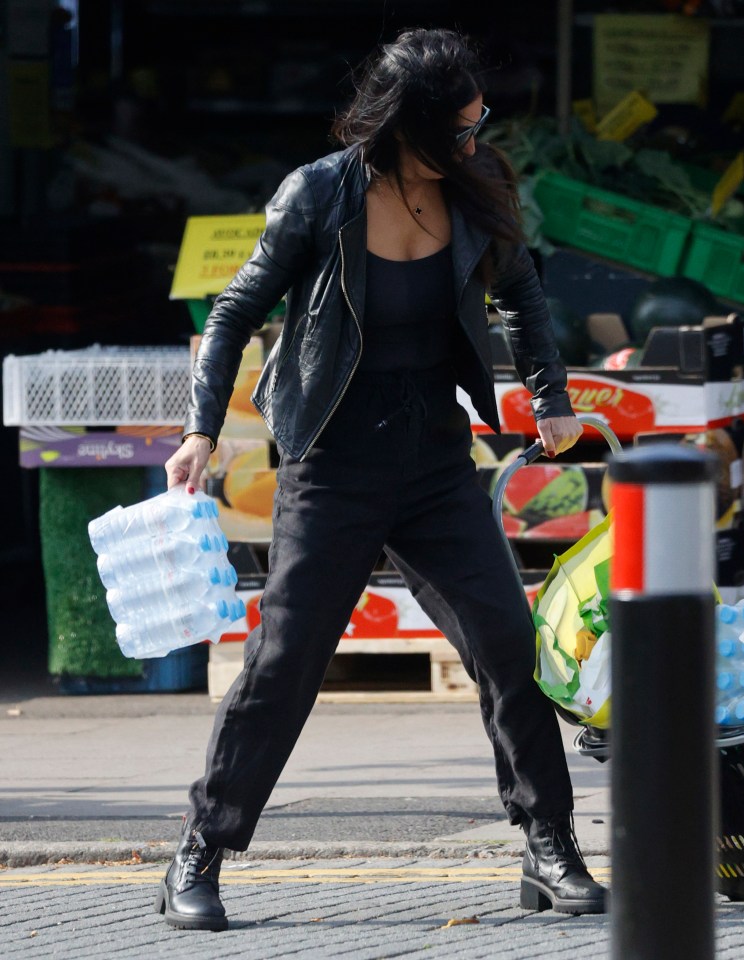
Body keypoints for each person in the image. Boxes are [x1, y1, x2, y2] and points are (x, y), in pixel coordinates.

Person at [157, 27, 606, 932]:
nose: (479, 141)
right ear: (416, 127)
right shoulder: (318, 194)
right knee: (283, 664)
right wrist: (200, 429)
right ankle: (198, 853)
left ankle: (547, 841)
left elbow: (519, 292)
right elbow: (236, 309)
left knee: (507, 647)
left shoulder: (476, 193)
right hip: (333, 459)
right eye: (466, 126)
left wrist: (549, 399)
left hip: (434, 456)